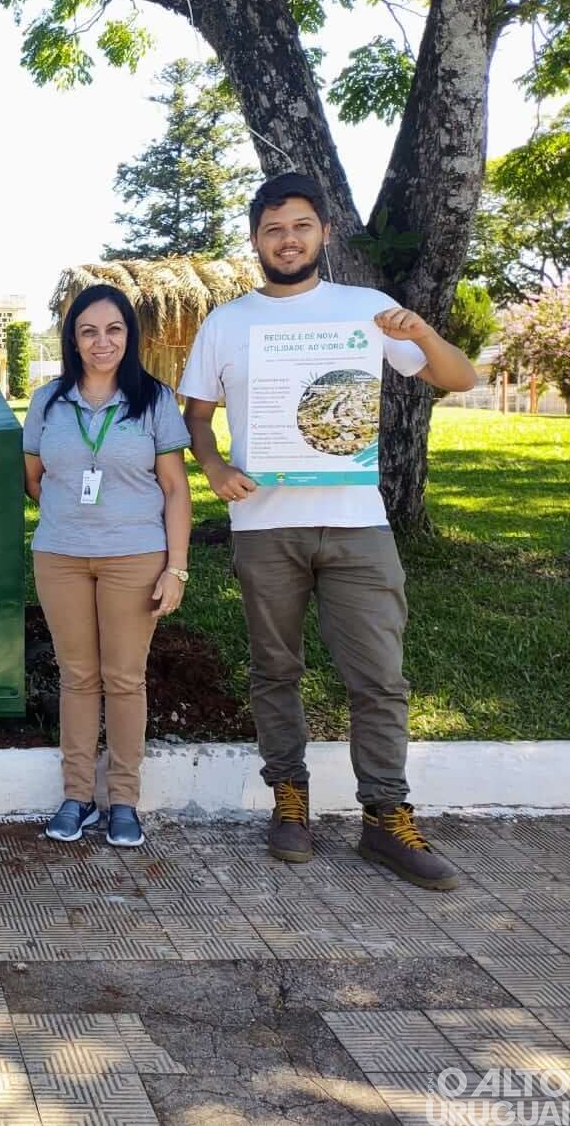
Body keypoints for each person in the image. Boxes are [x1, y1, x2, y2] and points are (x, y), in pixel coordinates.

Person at [179, 172, 478, 890]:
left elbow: (459, 378)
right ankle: (290, 798)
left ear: (324, 233)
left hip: (355, 524)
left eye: (301, 226)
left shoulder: (366, 310)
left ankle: (385, 817)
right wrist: (215, 465)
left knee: (378, 676)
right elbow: (194, 414)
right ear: (256, 239)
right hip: (264, 526)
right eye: (274, 228)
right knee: (274, 668)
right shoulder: (227, 322)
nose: (288, 239)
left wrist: (423, 332)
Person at [24, 284, 192, 848]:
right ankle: (77, 796)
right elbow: (34, 478)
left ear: (129, 335)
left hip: (135, 558)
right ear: (73, 339)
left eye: (113, 330)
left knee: (123, 679)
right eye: (89, 331)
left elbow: (175, 489)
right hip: (61, 556)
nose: (102, 342)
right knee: (77, 676)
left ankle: (123, 800)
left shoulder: (154, 401)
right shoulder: (48, 402)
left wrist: (178, 567)